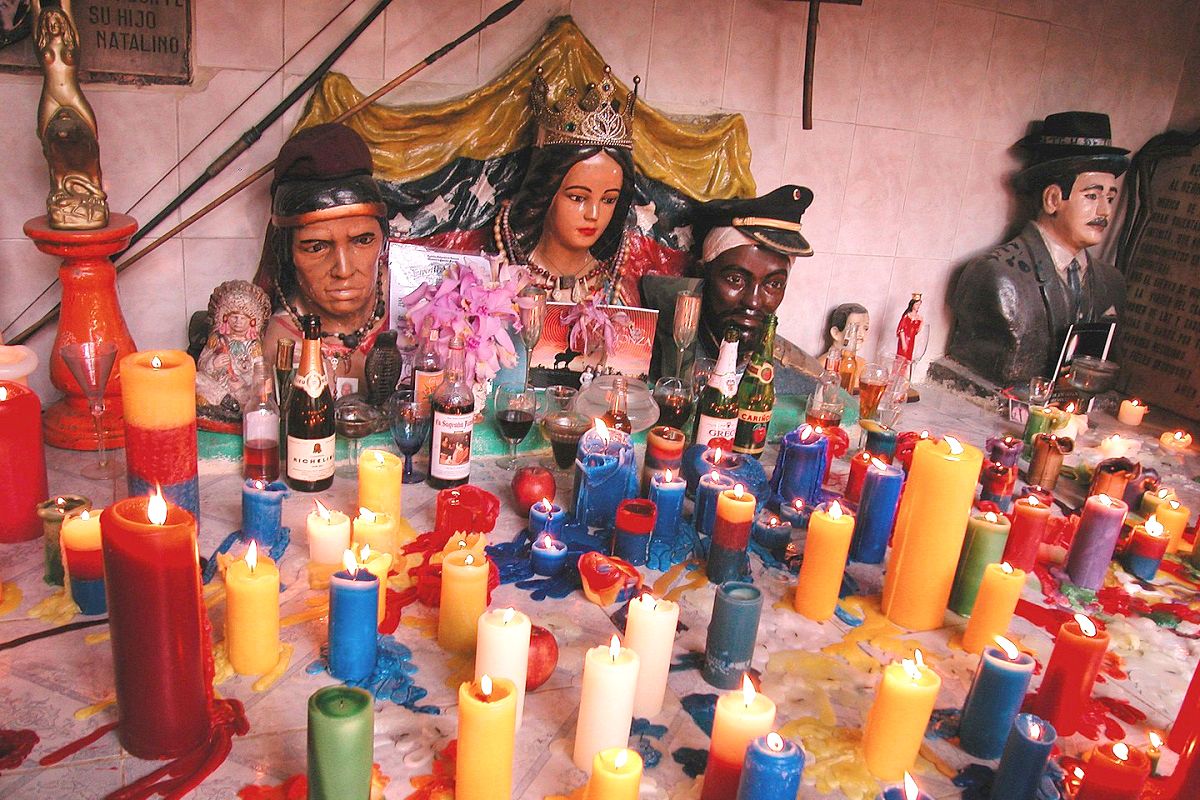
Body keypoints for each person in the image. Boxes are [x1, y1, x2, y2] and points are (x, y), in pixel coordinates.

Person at [948, 111, 1129, 386]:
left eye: (1110, 198)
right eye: (1092, 195)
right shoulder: (996, 275)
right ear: (1053, 199)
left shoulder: (1111, 282)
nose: (1104, 211)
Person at [253, 123, 390, 392]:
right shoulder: (281, 344)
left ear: (384, 240)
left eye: (363, 241)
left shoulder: (415, 311)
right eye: (316, 247)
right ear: (287, 252)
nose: (343, 269)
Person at [644, 185, 816, 380]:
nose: (753, 301)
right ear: (701, 274)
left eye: (773, 284)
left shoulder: (799, 377)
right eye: (736, 280)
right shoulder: (647, 349)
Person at [195, 280, 271, 420]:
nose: (238, 322)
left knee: (260, 392)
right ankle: (226, 402)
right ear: (225, 318)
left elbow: (260, 372)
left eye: (243, 318)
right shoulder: (217, 340)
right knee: (196, 378)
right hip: (220, 389)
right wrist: (214, 363)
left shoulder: (254, 347)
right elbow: (202, 364)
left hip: (242, 390)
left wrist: (243, 382)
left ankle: (236, 408)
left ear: (252, 322)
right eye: (234, 317)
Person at [895, 293, 923, 362]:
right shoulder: (907, 316)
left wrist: (921, 322)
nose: (918, 306)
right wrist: (904, 343)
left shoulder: (918, 317)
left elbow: (917, 331)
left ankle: (904, 372)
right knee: (901, 358)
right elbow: (901, 330)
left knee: (907, 359)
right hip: (904, 339)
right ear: (912, 304)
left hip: (911, 341)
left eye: (919, 305)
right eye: (916, 304)